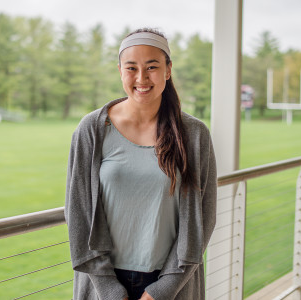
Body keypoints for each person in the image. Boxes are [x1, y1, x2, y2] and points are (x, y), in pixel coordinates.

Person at [65, 28, 217, 300]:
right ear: (120, 71)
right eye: (131, 68)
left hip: (170, 282)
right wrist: (109, 289)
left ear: (168, 70)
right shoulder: (92, 129)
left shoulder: (194, 134)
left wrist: (163, 289)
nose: (141, 78)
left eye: (152, 67)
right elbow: (78, 212)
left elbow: (203, 217)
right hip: (103, 283)